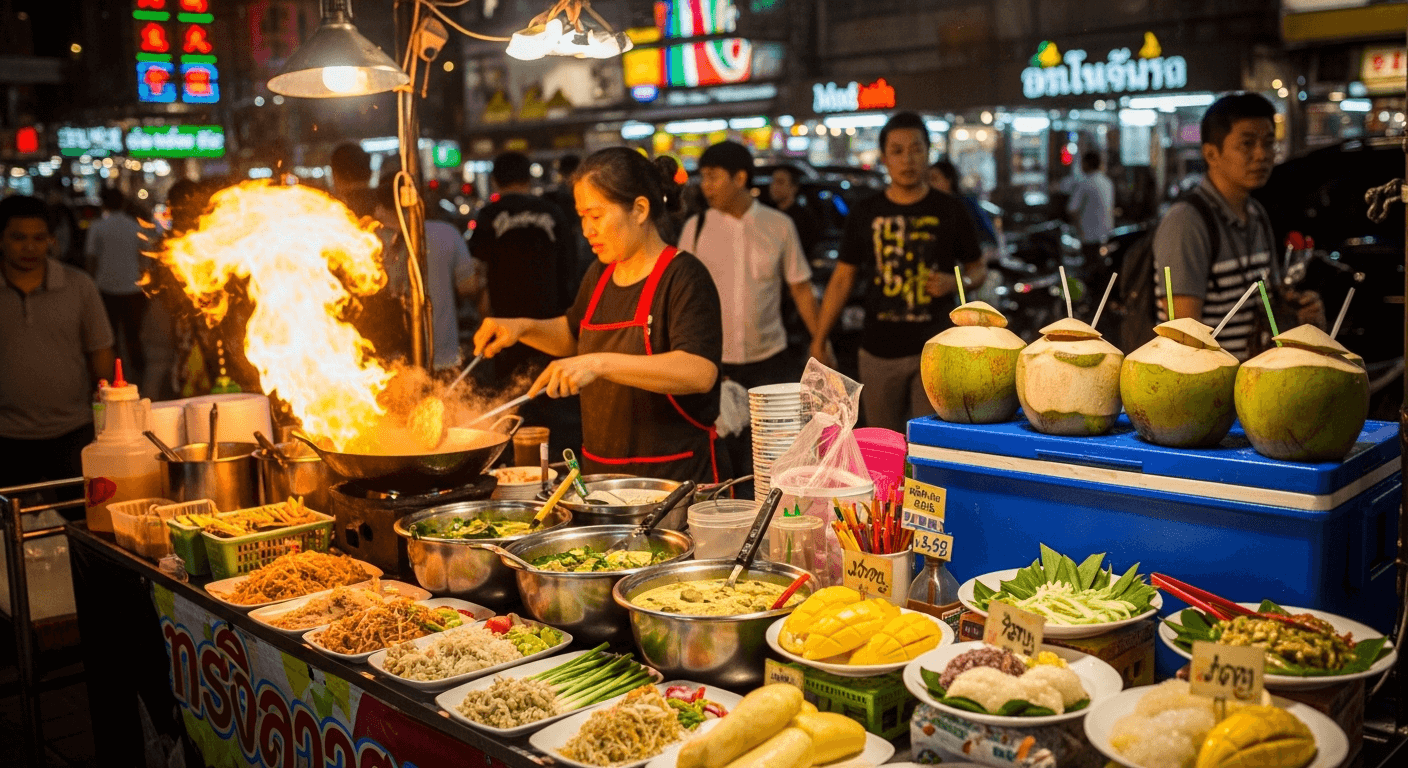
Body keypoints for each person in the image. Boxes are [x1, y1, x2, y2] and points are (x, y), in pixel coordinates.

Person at [473, 147, 723, 483]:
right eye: (581, 217)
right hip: (604, 478)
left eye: (596, 215)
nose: (587, 230)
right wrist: (522, 328)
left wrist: (597, 363)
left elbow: (698, 371)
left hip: (673, 481)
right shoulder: (600, 275)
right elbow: (574, 337)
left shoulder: (683, 276)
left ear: (639, 209)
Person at [811, 112, 985, 432]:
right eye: (898, 151)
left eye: (917, 149)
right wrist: (819, 338)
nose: (908, 159)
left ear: (929, 154)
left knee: (928, 444)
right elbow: (842, 279)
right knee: (883, 445)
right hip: (879, 351)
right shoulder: (865, 212)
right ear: (884, 158)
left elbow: (979, 270)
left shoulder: (951, 209)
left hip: (936, 352)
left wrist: (955, 282)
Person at [1154, 93, 1324, 360]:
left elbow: (1266, 301)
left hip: (1257, 384)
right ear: (1211, 153)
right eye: (1247, 144)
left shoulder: (1257, 214)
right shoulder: (1186, 221)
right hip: (1215, 392)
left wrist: (1296, 311)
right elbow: (1183, 337)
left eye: (1269, 143)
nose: (1262, 155)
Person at [681, 141, 819, 389]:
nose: (705, 186)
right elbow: (681, 294)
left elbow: (801, 289)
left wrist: (820, 340)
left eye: (713, 177)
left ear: (740, 178)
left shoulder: (779, 225)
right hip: (713, 359)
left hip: (770, 358)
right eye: (703, 178)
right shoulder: (695, 228)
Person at [0, 195, 115, 490]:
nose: (30, 247)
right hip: (7, 436)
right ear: (1, 240)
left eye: (39, 238)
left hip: (72, 431)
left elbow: (100, 352)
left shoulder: (79, 286)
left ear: (51, 240)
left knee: (83, 520)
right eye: (18, 238)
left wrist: (108, 417)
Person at [85, 187, 148, 381]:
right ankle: (139, 372)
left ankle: (114, 376)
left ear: (104, 203)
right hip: (133, 288)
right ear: (123, 203)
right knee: (134, 335)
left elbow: (91, 258)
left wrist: (91, 283)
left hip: (106, 288)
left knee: (108, 337)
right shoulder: (135, 226)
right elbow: (145, 258)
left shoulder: (98, 227)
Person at [929, 158, 1001, 260]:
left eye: (934, 179)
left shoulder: (964, 205)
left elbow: (988, 238)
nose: (929, 184)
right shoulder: (933, 207)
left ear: (949, 180)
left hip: (966, 265)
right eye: (926, 180)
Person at [1067, 151, 1115, 262]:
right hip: (1106, 234)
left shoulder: (1084, 183)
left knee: (1090, 269)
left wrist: (1079, 231)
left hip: (1088, 237)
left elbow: (1072, 210)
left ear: (1087, 164)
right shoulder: (1108, 182)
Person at [768, 164, 821, 258]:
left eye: (780, 182)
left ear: (794, 187)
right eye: (773, 182)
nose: (774, 186)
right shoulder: (768, 215)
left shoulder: (804, 219)